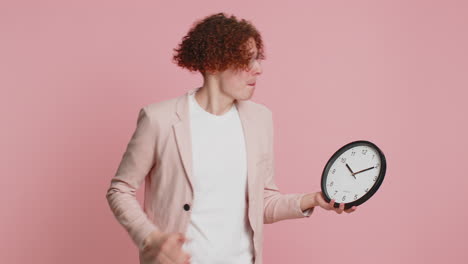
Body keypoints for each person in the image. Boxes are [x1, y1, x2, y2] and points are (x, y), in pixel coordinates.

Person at [105, 12, 357, 264]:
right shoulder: (159, 119)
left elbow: (264, 203)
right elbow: (120, 190)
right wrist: (150, 238)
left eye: (257, 59)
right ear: (214, 64)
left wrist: (314, 200)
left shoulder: (260, 120)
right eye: (247, 60)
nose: (258, 69)